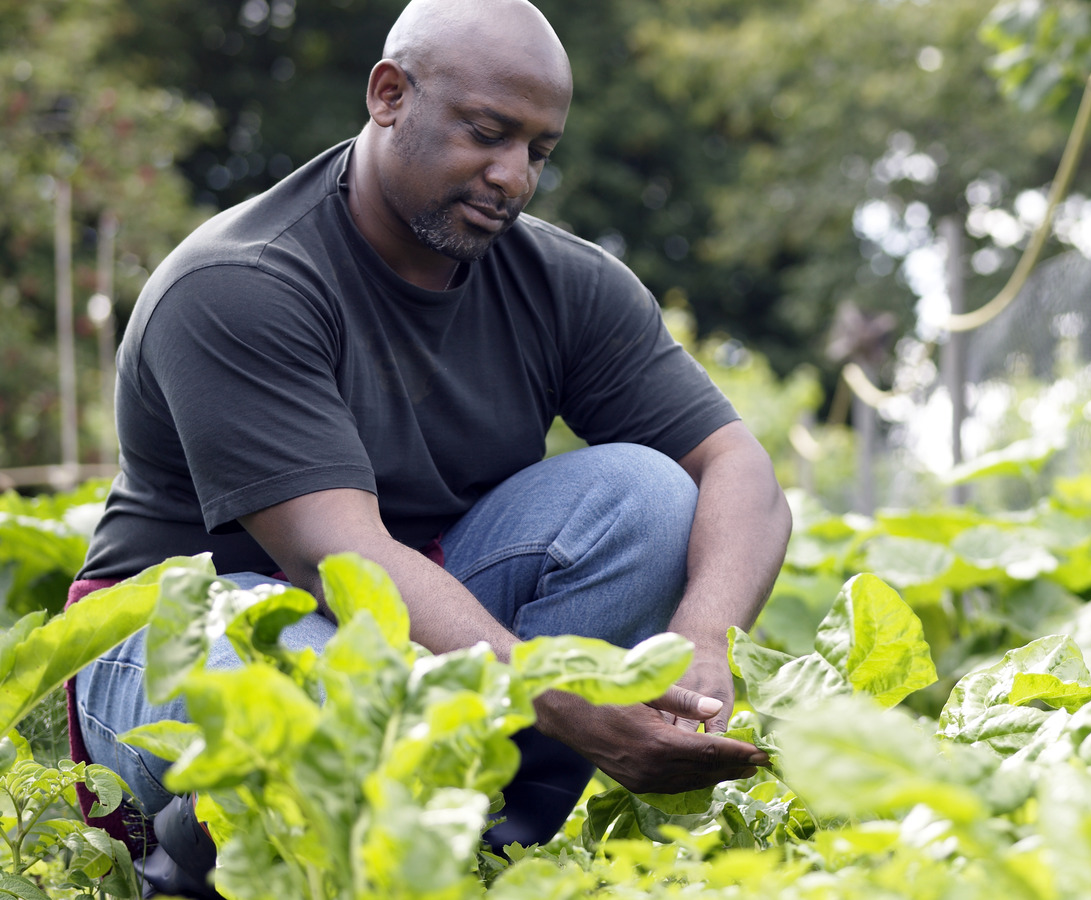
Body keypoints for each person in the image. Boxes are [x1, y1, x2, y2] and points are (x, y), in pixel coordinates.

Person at [67, 0, 790, 892]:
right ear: (389, 95)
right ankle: (189, 866)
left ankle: (479, 848)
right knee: (309, 679)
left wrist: (703, 644)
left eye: (539, 151)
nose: (513, 176)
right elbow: (339, 558)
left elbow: (739, 468)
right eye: (486, 133)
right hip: (181, 632)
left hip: (414, 623)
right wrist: (561, 696)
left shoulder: (563, 284)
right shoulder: (242, 281)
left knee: (651, 495)